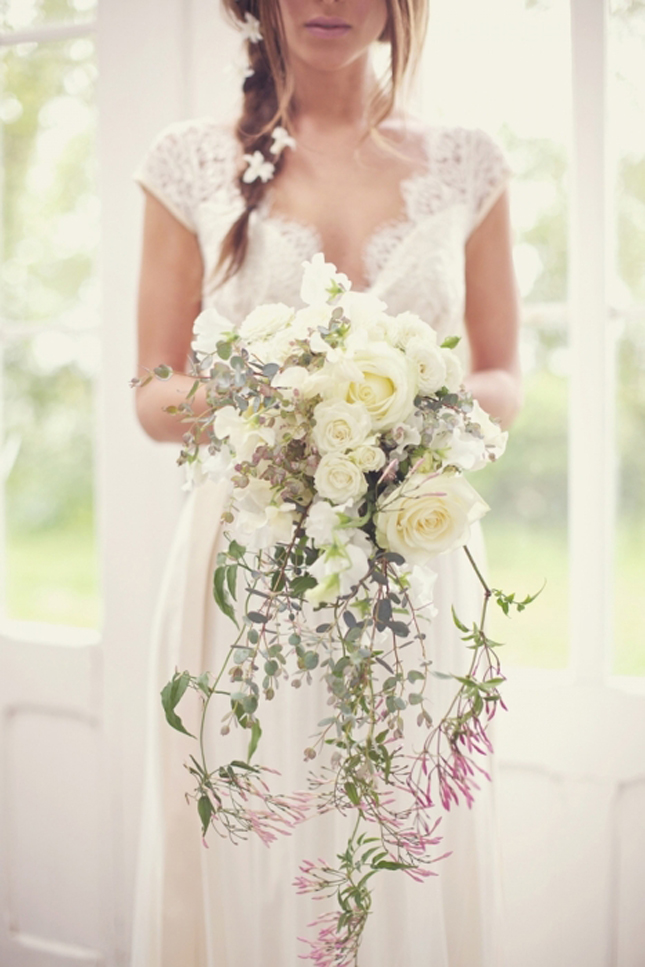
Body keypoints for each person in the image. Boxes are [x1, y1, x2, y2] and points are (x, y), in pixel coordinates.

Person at [132, 1, 522, 965]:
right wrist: (289, 396)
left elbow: (501, 378)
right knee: (251, 818)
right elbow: (153, 391)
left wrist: (412, 403)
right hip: (246, 556)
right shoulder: (189, 158)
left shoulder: (468, 161)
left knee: (402, 825)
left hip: (411, 544)